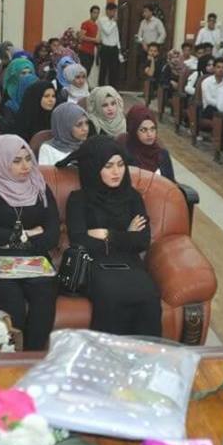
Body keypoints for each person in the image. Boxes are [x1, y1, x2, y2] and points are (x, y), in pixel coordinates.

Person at [60, 137, 161, 336]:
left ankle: (144, 354)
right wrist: (127, 235)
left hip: (130, 264)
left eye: (120, 164)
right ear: (93, 168)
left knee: (149, 296)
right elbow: (80, 241)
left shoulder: (132, 197)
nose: (117, 172)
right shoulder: (78, 199)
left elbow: (142, 241)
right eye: (108, 166)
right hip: (94, 266)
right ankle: (108, 354)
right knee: (112, 295)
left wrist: (107, 234)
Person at [0, 135, 59, 350]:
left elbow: (52, 235)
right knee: (13, 304)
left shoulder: (39, 188)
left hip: (35, 259)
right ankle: (13, 356)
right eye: (17, 161)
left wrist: (10, 239)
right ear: (0, 162)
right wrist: (30, 233)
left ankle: (32, 358)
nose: (26, 166)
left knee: (44, 295)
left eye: (28, 159)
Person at [125, 105, 175, 181]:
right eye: (143, 130)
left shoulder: (162, 154)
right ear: (133, 131)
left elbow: (171, 183)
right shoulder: (126, 156)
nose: (149, 134)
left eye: (152, 129)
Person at [39, 102, 90, 166]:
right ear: (64, 127)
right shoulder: (47, 149)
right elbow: (44, 172)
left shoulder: (89, 146)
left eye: (87, 123)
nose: (85, 129)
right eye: (79, 125)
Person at [97, 2, 121, 87]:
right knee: (103, 69)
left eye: (115, 11)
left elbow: (116, 36)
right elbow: (107, 31)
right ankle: (101, 88)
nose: (114, 13)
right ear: (108, 11)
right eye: (113, 11)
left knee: (113, 70)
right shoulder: (102, 20)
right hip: (105, 48)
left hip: (114, 48)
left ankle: (112, 89)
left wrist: (119, 48)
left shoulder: (113, 21)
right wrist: (114, 22)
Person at [78, 5, 101, 75]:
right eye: (94, 12)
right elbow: (81, 37)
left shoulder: (96, 26)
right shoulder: (86, 23)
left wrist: (98, 43)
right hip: (84, 52)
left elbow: (93, 40)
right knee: (83, 72)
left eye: (98, 13)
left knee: (88, 72)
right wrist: (94, 40)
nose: (96, 15)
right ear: (90, 13)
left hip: (91, 53)